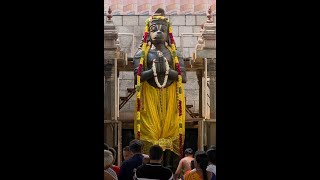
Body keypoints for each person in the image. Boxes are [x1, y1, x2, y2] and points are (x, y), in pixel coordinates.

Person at [133, 8, 186, 159]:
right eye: (154, 29)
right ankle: (152, 161)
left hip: (170, 96)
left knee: (171, 129)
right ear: (148, 33)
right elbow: (137, 77)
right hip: (149, 95)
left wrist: (167, 71)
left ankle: (169, 163)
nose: (159, 32)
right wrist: (153, 71)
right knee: (149, 130)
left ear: (168, 32)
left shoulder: (175, 54)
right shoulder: (141, 54)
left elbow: (184, 77)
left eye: (163, 29)